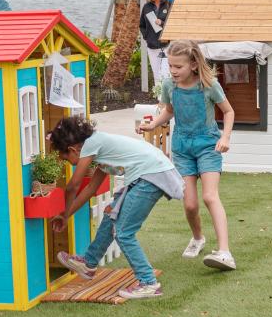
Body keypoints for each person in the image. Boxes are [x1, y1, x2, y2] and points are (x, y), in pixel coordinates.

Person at [49, 115, 183, 300]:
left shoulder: (92, 143)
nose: (69, 164)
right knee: (111, 215)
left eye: (66, 159)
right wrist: (66, 215)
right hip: (145, 175)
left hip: (150, 175)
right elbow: (90, 189)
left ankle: (148, 283)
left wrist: (63, 213)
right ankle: (89, 263)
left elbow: (73, 186)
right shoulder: (102, 151)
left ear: (73, 149)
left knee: (123, 232)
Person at [138, 39, 237, 271]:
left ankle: (225, 252)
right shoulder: (169, 86)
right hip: (182, 148)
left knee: (210, 196)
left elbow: (229, 111)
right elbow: (169, 111)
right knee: (190, 204)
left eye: (178, 67)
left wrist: (225, 137)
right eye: (170, 66)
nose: (173, 71)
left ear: (193, 65)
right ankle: (198, 238)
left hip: (208, 146)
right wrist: (153, 125)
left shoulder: (209, 85)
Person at [139, 0, 171, 84]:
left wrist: (161, 22)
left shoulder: (168, 5)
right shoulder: (146, 7)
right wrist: (147, 37)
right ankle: (160, 98)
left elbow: (173, 24)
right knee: (156, 74)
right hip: (152, 46)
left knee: (167, 74)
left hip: (167, 46)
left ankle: (168, 99)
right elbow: (142, 25)